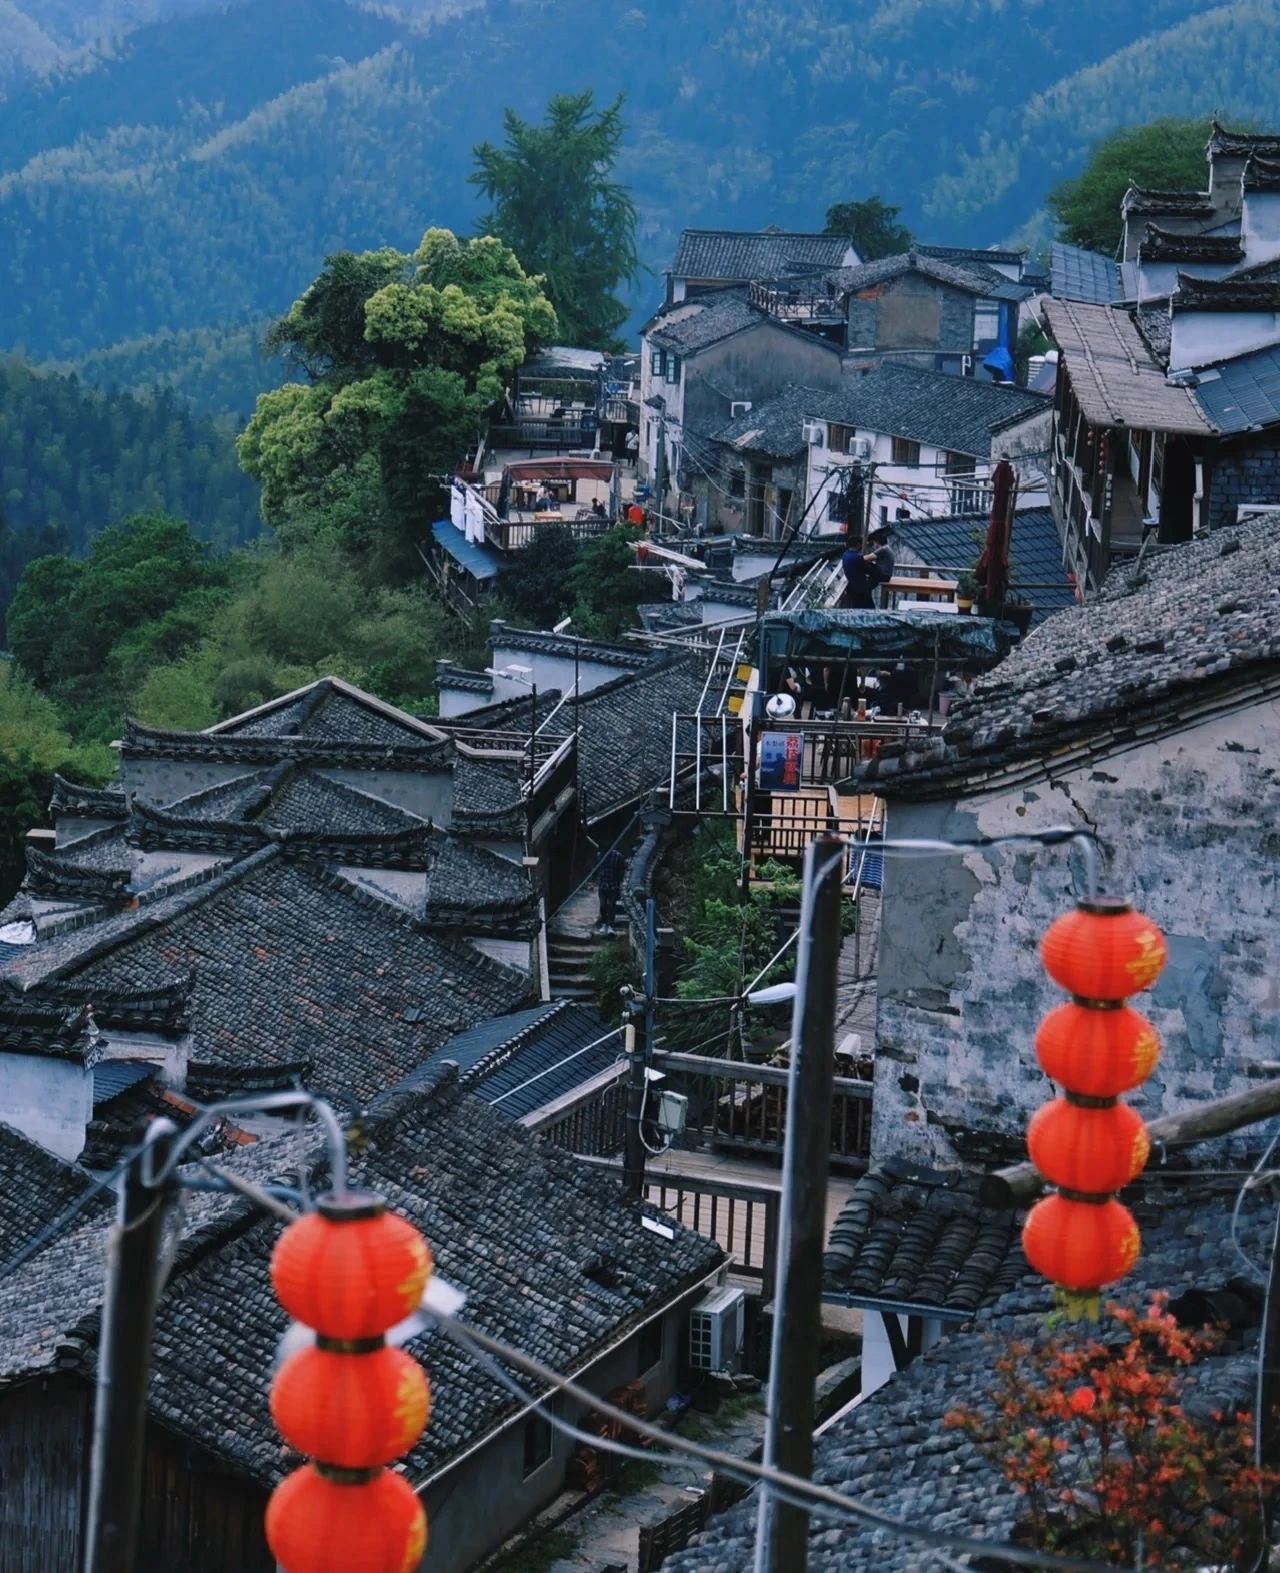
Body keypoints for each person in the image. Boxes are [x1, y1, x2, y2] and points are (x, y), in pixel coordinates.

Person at [839, 537, 880, 609]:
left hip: (851, 588)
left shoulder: (845, 555)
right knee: (869, 609)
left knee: (857, 607)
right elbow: (869, 571)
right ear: (858, 545)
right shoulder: (857, 558)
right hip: (861, 589)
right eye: (861, 544)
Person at [595, 846, 625, 932]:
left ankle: (610, 925)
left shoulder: (617, 856)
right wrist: (595, 880)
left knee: (611, 906)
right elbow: (596, 869)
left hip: (613, 885)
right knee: (602, 905)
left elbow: (621, 870)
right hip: (602, 885)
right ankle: (604, 924)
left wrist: (619, 882)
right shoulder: (599, 855)